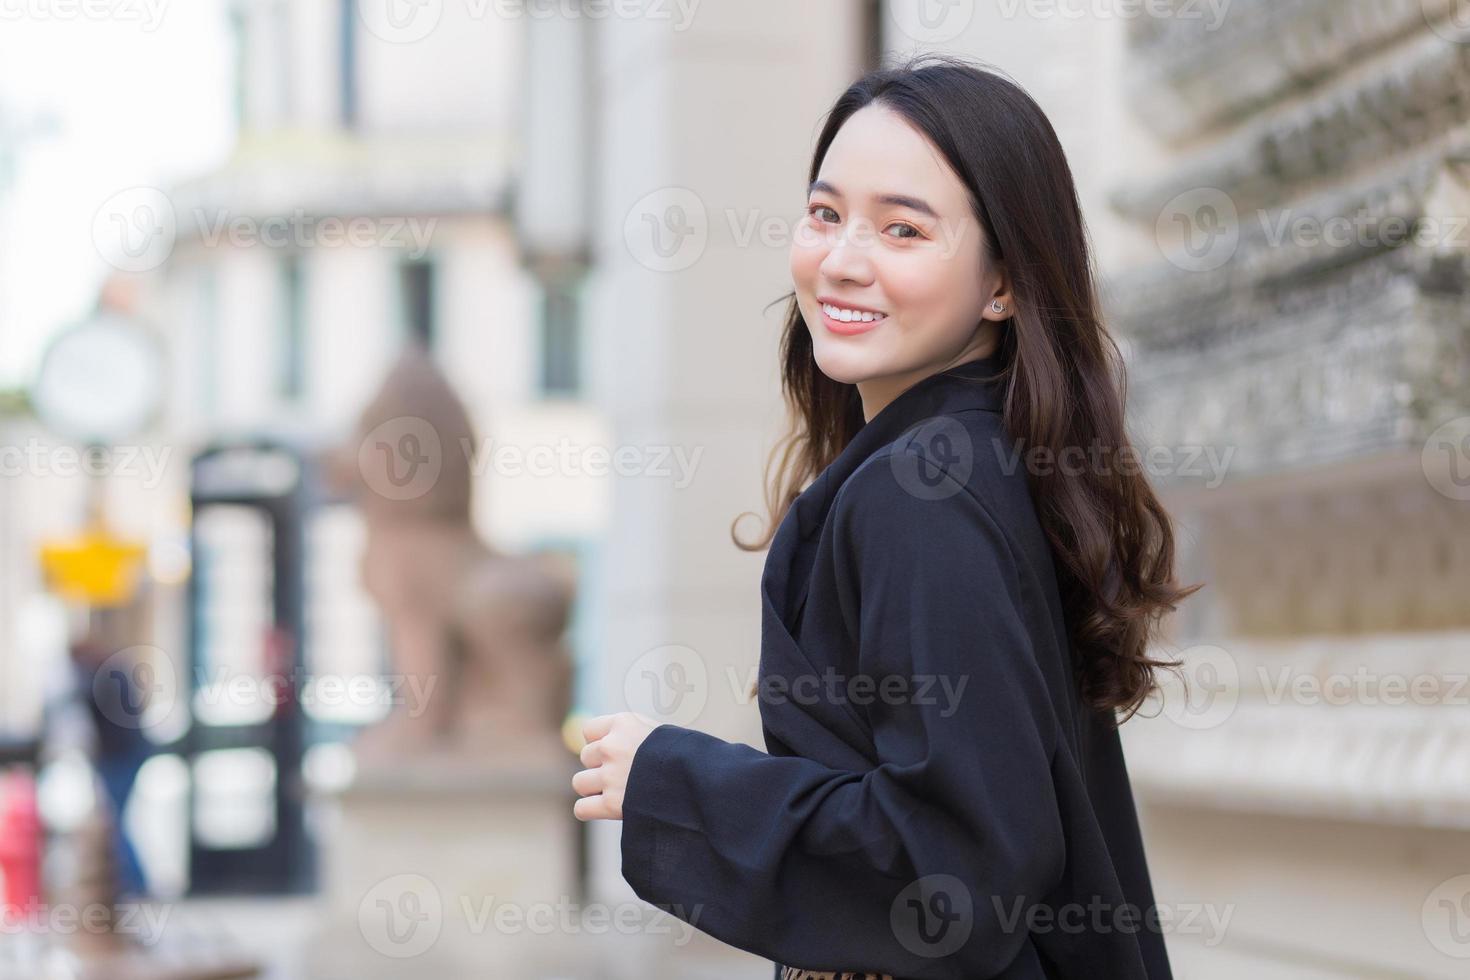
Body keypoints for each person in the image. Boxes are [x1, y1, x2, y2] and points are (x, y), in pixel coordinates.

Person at [572, 54, 1200, 979]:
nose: (842, 260)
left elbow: (960, 866)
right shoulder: (980, 462)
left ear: (1004, 283)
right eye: (825, 214)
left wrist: (677, 781)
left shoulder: (921, 494)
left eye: (903, 230)